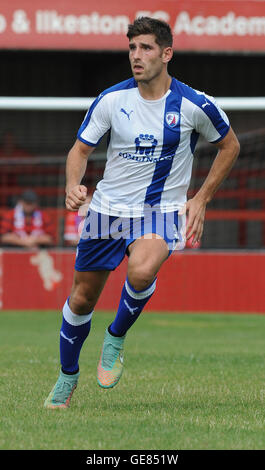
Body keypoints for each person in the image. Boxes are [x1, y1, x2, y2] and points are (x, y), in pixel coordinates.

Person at [44, 17, 240, 409]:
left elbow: (230, 146)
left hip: (160, 210)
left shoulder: (194, 104)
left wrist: (200, 198)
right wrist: (72, 185)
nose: (137, 55)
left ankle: (115, 337)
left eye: (146, 48)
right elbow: (80, 151)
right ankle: (67, 378)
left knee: (142, 269)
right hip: (108, 211)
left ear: (166, 53)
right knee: (82, 299)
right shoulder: (112, 100)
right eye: (132, 48)